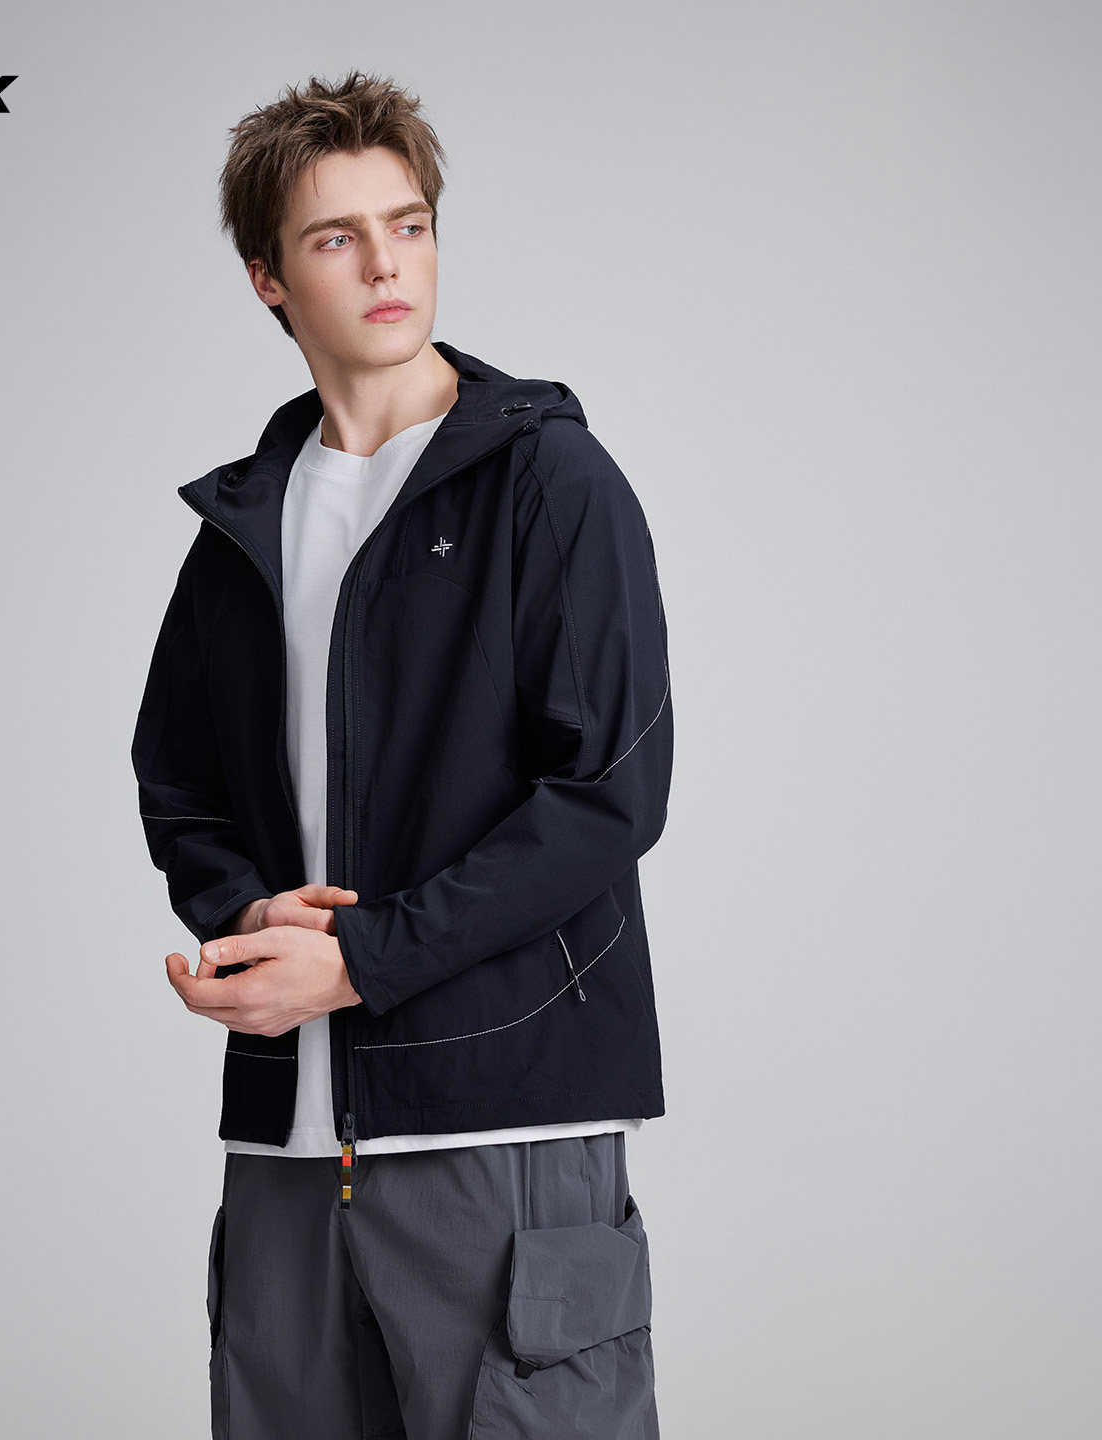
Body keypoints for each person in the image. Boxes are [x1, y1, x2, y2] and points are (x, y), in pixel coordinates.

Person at [131, 69, 673, 1440]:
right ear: (269, 278)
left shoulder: (552, 481)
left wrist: (361, 960)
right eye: (337, 237)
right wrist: (249, 920)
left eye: (409, 226)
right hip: (286, 1141)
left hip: (500, 1125)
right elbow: (178, 782)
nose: (386, 265)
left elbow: (607, 794)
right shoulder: (244, 527)